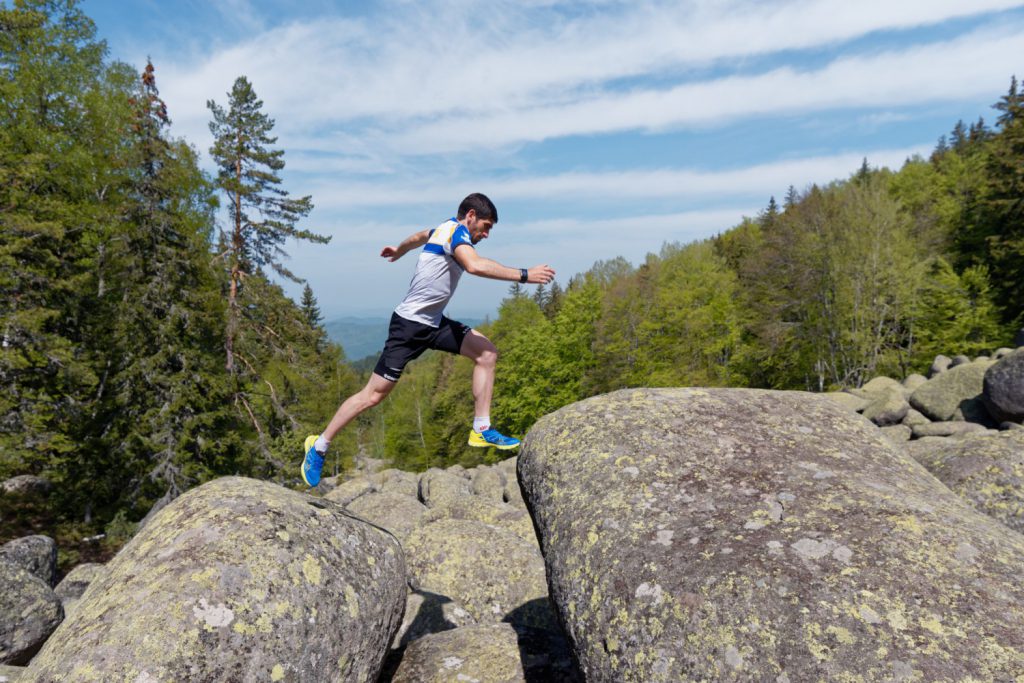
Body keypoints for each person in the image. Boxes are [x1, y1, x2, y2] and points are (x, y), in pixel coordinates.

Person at [301, 193, 555, 487]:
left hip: (434, 323)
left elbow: (421, 235)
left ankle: (481, 428)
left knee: (486, 353)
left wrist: (400, 249)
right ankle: (318, 445)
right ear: (470, 215)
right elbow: (474, 266)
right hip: (408, 327)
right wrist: (525, 275)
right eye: (485, 226)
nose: (485, 234)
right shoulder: (456, 234)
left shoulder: (442, 229)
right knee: (373, 395)